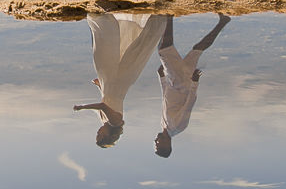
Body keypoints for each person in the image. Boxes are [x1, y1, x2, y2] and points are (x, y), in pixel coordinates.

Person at [73, 13, 164, 147]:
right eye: (100, 135)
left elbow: (105, 100)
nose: (98, 132)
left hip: (109, 83)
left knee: (103, 54)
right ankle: (105, 20)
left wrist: (99, 86)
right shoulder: (116, 122)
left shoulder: (104, 121)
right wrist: (82, 107)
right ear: (108, 135)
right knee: (120, 53)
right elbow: (104, 106)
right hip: (118, 82)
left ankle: (103, 20)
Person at [153, 13, 231, 158]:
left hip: (174, 82)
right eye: (158, 145)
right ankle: (168, 14)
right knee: (164, 49)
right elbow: (189, 103)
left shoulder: (164, 126)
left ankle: (223, 21)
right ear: (167, 145)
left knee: (197, 49)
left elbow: (166, 99)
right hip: (180, 81)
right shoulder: (177, 127)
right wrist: (195, 82)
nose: (155, 141)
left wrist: (162, 78)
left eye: (155, 144)